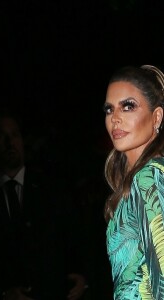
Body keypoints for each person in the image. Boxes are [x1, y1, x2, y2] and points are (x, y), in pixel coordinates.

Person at [0, 108, 88, 300]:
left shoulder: (51, 188)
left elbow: (72, 235)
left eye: (14, 135)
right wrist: (1, 293)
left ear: (22, 140)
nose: (9, 142)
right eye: (2, 136)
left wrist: (81, 275)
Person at [104, 64, 164, 299]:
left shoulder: (149, 178)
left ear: (157, 116)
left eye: (128, 106)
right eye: (109, 110)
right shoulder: (139, 179)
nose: (115, 118)